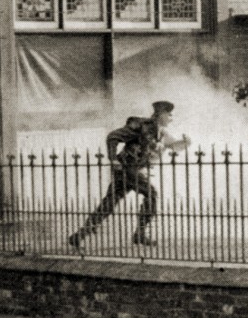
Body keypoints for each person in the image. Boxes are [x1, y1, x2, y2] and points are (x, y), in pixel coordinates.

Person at [68, 100, 189, 250]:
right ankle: (140, 234)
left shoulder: (161, 132)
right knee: (151, 193)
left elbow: (174, 146)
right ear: (160, 115)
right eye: (169, 114)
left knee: (111, 202)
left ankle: (79, 235)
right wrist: (112, 159)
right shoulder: (141, 126)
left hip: (132, 170)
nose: (171, 118)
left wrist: (185, 143)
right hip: (127, 167)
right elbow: (113, 137)